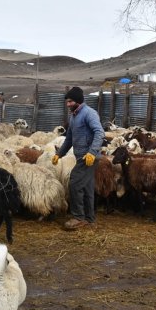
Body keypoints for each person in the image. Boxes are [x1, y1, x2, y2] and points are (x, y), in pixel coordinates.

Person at [53, 86, 104, 230]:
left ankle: (78, 217)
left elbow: (99, 133)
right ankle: (89, 219)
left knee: (74, 183)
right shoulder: (74, 116)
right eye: (67, 102)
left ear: (78, 101)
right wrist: (59, 154)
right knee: (87, 187)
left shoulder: (89, 113)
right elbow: (69, 138)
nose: (68, 104)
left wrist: (92, 153)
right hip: (82, 156)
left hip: (88, 157)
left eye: (70, 101)